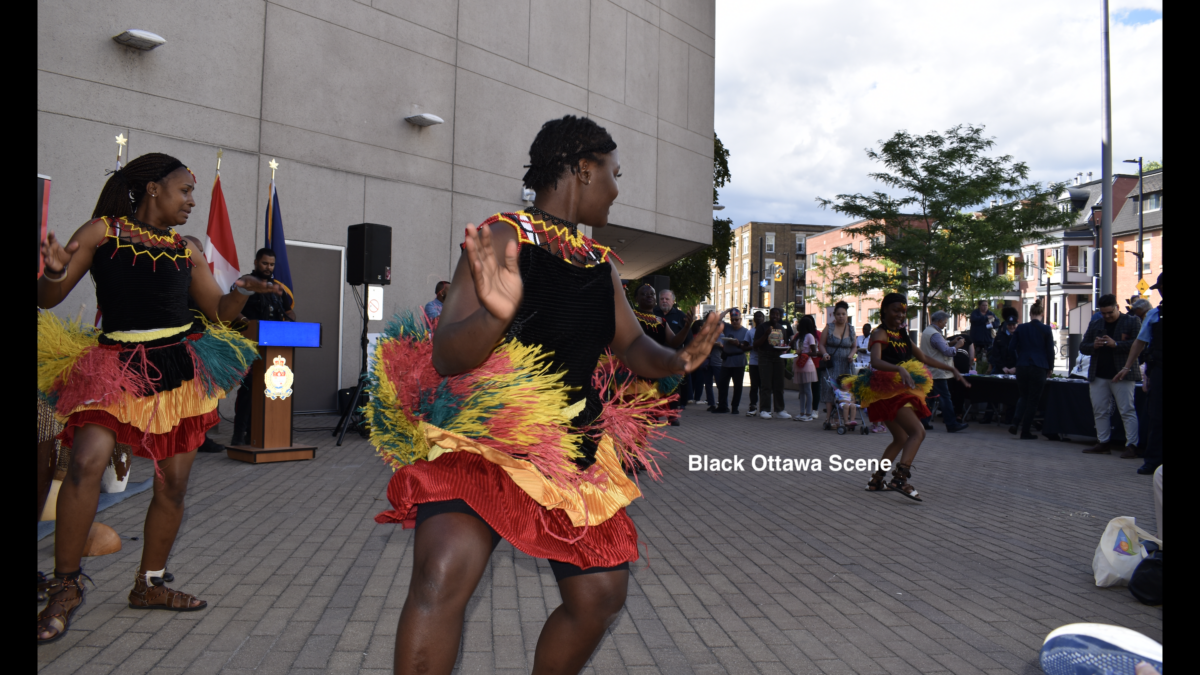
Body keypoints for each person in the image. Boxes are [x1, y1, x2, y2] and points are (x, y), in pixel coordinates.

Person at [365, 115, 724, 673]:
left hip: (570, 449)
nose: (616, 188)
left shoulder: (598, 264)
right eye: (613, 173)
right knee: (442, 572)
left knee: (601, 595)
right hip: (487, 441)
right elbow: (448, 355)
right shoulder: (505, 237)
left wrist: (676, 359)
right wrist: (494, 314)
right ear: (582, 169)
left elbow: (631, 345)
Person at [36, 153, 271, 643]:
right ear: (152, 189)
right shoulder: (103, 232)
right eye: (184, 190)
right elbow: (48, 298)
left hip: (180, 372)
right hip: (114, 367)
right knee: (85, 462)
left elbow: (219, 312)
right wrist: (55, 272)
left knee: (173, 486)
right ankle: (66, 585)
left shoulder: (186, 248)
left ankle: (149, 584)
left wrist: (243, 291)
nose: (190, 201)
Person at [857, 293, 969, 501]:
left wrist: (952, 369)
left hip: (898, 390)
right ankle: (899, 478)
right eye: (895, 310)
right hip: (888, 391)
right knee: (918, 432)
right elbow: (875, 362)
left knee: (901, 437)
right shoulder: (880, 333)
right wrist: (899, 370)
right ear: (884, 311)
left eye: (903, 311)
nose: (900, 315)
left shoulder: (902, 335)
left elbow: (924, 357)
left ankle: (876, 480)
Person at [229, 247, 296, 447]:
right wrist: (247, 325)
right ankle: (239, 434)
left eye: (272, 264)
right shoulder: (245, 283)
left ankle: (259, 432)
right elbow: (232, 310)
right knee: (249, 390)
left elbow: (289, 312)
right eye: (265, 263)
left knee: (270, 389)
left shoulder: (278, 288)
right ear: (257, 262)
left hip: (274, 349)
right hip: (249, 346)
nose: (268, 267)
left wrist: (290, 321)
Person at [1078, 294, 1142, 457]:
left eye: (1109, 313)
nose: (1106, 316)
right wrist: (1094, 345)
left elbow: (1139, 344)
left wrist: (1117, 344)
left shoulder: (1132, 321)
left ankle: (1132, 445)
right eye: (1103, 313)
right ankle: (1103, 442)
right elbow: (1083, 346)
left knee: (1126, 409)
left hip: (1122, 373)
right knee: (1099, 410)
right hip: (1099, 373)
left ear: (1117, 307)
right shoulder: (1096, 323)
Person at [1115, 274, 1162, 475]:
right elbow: (1139, 343)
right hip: (1160, 369)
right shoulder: (1155, 314)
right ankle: (1153, 461)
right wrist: (1127, 367)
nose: (1159, 291)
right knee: (1157, 416)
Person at [633, 284, 688, 425]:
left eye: (651, 294)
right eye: (644, 294)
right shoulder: (631, 316)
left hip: (656, 365)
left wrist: (687, 327)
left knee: (671, 382)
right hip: (635, 367)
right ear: (637, 299)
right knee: (638, 406)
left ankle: (670, 415)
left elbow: (674, 341)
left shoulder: (661, 321)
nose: (649, 296)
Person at [1008, 303, 1056, 439]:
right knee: (1034, 399)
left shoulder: (1021, 328)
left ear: (1030, 313)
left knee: (1023, 396)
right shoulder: (1046, 329)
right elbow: (1050, 351)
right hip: (1039, 366)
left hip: (1022, 365)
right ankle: (1025, 431)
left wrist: (1018, 361)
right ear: (1042, 314)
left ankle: (1015, 423)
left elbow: (1011, 348)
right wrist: (1050, 367)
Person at [921, 311, 970, 432]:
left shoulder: (928, 331)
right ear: (939, 321)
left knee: (930, 397)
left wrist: (951, 342)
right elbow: (947, 352)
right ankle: (951, 423)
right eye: (945, 322)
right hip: (938, 371)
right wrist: (957, 345)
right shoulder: (935, 334)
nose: (945, 325)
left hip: (930, 370)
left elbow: (937, 346)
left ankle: (924, 422)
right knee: (945, 397)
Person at [819, 301, 857, 422]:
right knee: (830, 389)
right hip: (832, 363)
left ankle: (844, 417)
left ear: (846, 315)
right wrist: (824, 354)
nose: (841, 316)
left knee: (846, 390)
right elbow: (821, 344)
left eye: (843, 314)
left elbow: (854, 346)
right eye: (838, 314)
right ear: (834, 315)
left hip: (846, 364)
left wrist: (851, 355)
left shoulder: (851, 329)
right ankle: (828, 417)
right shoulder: (829, 328)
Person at [753, 307, 794, 419]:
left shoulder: (782, 328)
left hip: (778, 357)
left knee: (779, 384)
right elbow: (756, 344)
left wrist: (785, 347)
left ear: (780, 317)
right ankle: (765, 409)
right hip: (765, 356)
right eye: (773, 314)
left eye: (777, 315)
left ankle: (780, 409)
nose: (775, 316)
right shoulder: (762, 327)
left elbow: (784, 344)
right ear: (769, 315)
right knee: (766, 384)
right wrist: (765, 335)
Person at [655, 288, 690, 414]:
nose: (664, 301)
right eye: (662, 299)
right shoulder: (652, 313)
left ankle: (673, 413)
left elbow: (688, 340)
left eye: (667, 299)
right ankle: (656, 413)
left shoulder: (681, 316)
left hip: (674, 358)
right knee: (655, 386)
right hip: (655, 357)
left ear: (673, 301)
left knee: (674, 387)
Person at [714, 308, 752, 414]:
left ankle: (735, 407)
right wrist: (727, 310)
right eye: (732, 320)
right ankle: (722, 406)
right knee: (722, 384)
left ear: (740, 319)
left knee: (738, 386)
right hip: (726, 360)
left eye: (737, 319)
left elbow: (749, 346)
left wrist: (738, 344)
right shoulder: (727, 328)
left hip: (739, 360)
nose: (734, 322)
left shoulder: (745, 332)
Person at [791, 316, 819, 421]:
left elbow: (814, 352)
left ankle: (808, 413)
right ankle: (802, 412)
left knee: (807, 389)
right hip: (799, 363)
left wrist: (803, 353)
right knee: (802, 390)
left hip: (807, 363)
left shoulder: (809, 336)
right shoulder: (799, 337)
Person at [689, 316, 719, 409]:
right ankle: (697, 398)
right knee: (700, 381)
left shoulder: (691, 336)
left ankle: (690, 397)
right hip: (701, 361)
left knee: (693, 380)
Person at [969, 299, 998, 372]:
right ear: (979, 306)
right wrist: (986, 318)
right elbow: (974, 319)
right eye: (983, 305)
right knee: (976, 358)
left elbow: (997, 322)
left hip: (987, 340)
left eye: (986, 305)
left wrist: (991, 324)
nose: (985, 307)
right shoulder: (975, 313)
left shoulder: (991, 313)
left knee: (987, 359)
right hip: (977, 340)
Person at [745, 310, 764, 415]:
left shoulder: (767, 331)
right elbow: (744, 346)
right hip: (753, 362)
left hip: (764, 362)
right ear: (754, 319)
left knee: (764, 386)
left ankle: (764, 407)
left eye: (760, 316)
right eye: (756, 317)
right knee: (754, 386)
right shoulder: (750, 332)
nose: (758, 318)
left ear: (763, 318)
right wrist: (753, 347)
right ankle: (753, 405)